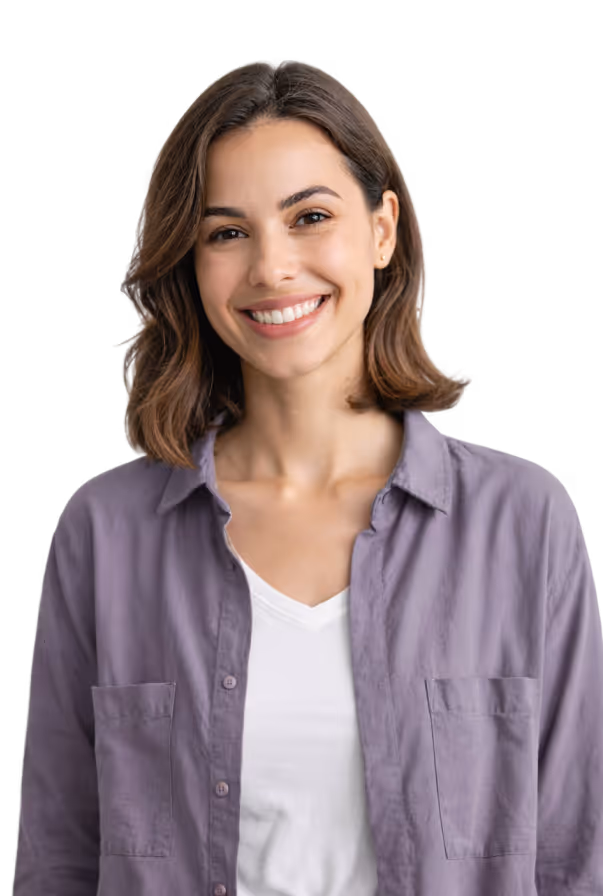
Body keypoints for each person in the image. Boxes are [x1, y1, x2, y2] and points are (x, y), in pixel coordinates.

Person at [13, 58, 602, 895]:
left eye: (309, 216)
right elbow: (57, 859)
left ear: (382, 229)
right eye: (226, 232)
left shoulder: (522, 522)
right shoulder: (104, 531)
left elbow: (573, 858)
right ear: (190, 261)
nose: (272, 268)